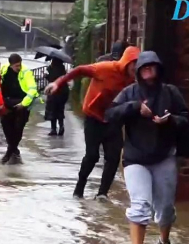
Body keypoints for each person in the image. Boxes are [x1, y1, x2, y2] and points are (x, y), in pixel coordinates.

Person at [104, 51, 189, 244]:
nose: (150, 73)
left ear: (160, 69)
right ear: (139, 71)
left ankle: (164, 240)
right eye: (145, 68)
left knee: (165, 208)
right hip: (135, 159)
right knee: (140, 205)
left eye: (153, 68)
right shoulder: (129, 93)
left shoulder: (171, 92)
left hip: (164, 157)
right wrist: (134, 108)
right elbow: (110, 114)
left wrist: (170, 120)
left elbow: (186, 118)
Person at [45, 46, 140, 200]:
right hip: (93, 117)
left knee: (113, 157)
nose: (136, 68)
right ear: (127, 62)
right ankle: (79, 189)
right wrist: (58, 83)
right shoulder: (105, 68)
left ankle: (102, 193)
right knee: (92, 155)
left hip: (113, 120)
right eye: (134, 64)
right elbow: (80, 70)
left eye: (139, 64)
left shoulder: (134, 80)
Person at [0, 53, 42, 164]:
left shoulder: (26, 72)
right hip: (7, 103)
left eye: (20, 65)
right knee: (7, 127)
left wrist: (23, 104)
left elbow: (33, 90)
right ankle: (13, 148)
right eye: (16, 66)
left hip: (22, 103)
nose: (19, 67)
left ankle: (9, 151)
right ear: (10, 64)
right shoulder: (4, 70)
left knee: (18, 128)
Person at [44, 57, 69, 136]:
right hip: (63, 92)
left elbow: (52, 80)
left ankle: (53, 129)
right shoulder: (63, 69)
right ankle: (61, 127)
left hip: (54, 93)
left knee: (52, 111)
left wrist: (46, 76)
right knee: (60, 110)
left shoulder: (51, 69)